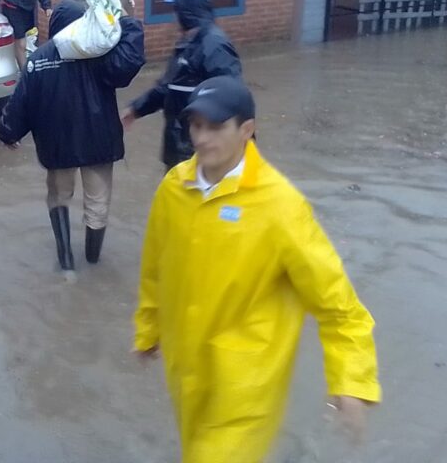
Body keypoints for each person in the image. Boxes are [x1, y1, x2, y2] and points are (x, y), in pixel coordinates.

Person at [133, 76, 380, 463]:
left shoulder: (279, 205)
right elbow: (155, 267)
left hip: (246, 384)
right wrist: (149, 328)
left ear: (247, 130)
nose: (201, 138)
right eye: (196, 125)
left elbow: (337, 303)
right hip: (186, 368)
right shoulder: (174, 188)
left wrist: (352, 381)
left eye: (216, 127)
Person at [0, 0, 145, 273]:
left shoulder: (38, 60)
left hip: (57, 145)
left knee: (58, 196)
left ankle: (66, 264)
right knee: (98, 202)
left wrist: (8, 132)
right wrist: (129, 22)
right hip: (99, 142)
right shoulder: (99, 52)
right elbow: (129, 64)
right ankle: (93, 260)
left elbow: (22, 102)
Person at [122, 0, 241, 171]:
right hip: (178, 148)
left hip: (201, 151)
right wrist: (136, 109)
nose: (173, 16)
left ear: (186, 13)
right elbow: (167, 88)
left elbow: (230, 98)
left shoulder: (215, 46)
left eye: (176, 10)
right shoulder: (186, 44)